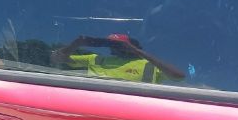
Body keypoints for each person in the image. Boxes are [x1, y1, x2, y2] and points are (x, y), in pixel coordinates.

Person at [51, 34, 185, 83]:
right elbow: (56, 59)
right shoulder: (97, 59)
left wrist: (137, 51)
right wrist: (76, 43)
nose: (115, 47)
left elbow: (179, 76)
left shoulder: (148, 65)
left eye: (119, 44)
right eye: (111, 44)